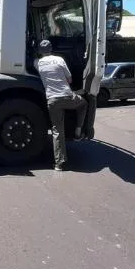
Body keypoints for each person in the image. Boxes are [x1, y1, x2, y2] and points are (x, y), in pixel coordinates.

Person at [35, 40, 86, 171]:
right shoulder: (59, 59)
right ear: (51, 49)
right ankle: (78, 132)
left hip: (52, 100)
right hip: (67, 96)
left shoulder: (38, 62)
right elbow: (69, 79)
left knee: (57, 131)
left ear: (40, 51)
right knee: (83, 104)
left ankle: (59, 164)